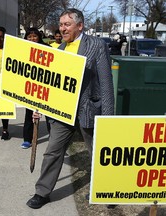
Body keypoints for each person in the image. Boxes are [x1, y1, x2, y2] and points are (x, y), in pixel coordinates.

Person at [26, 8, 115, 209]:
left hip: (90, 109)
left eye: (67, 24)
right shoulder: (59, 50)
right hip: (63, 112)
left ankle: (108, 191)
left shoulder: (97, 46)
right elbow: (50, 86)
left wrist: (108, 117)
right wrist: (40, 106)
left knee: (98, 153)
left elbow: (106, 82)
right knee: (52, 151)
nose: (62, 28)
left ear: (80, 25)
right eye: (61, 24)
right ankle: (42, 192)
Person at [21, 27, 51, 149]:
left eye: (34, 36)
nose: (32, 39)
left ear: (39, 37)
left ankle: (54, 141)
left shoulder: (47, 49)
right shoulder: (22, 49)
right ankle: (27, 139)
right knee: (29, 114)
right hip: (31, 87)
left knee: (50, 115)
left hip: (45, 86)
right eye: (29, 37)